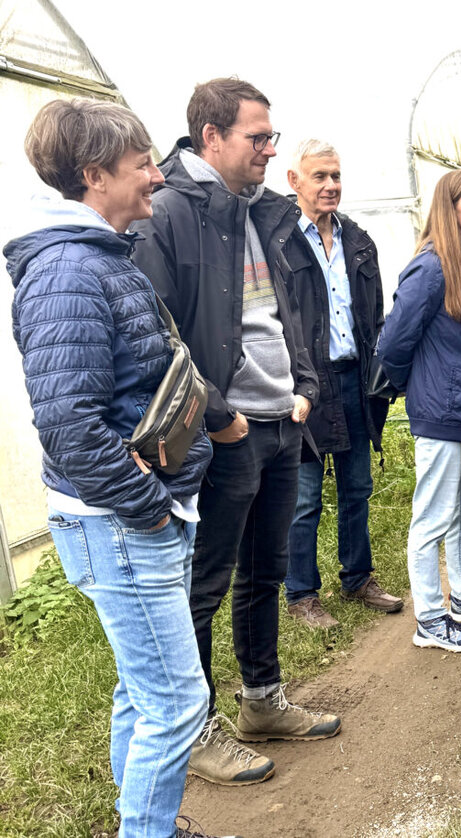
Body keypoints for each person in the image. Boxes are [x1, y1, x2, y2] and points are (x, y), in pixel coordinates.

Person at [7, 99, 221, 838]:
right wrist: (150, 506)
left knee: (144, 692)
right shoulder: (68, 269)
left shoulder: (98, 256)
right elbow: (68, 423)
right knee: (177, 704)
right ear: (95, 176)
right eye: (141, 166)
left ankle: (145, 825)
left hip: (137, 516)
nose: (157, 176)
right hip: (124, 523)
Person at [131, 78, 340, 787]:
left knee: (266, 573)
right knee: (203, 585)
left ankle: (262, 701)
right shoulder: (169, 213)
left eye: (271, 136)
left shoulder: (266, 210)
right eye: (257, 137)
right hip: (224, 432)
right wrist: (220, 416)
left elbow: (289, 310)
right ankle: (195, 731)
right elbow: (155, 334)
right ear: (210, 137)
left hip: (281, 418)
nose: (269, 148)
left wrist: (304, 386)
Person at [376, 168, 461, 653]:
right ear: (449, 210)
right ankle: (429, 617)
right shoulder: (431, 267)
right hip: (440, 412)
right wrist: (421, 388)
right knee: (431, 515)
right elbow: (392, 343)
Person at [282, 139, 402, 628]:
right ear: (294, 182)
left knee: (357, 486)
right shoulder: (281, 242)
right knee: (305, 495)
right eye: (319, 177)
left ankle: (357, 577)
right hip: (306, 385)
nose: (330, 185)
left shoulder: (357, 240)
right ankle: (302, 594)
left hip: (354, 378)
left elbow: (371, 314)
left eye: (335, 176)